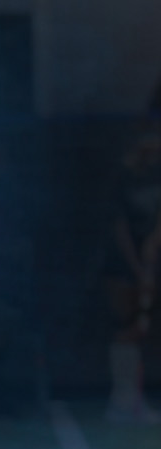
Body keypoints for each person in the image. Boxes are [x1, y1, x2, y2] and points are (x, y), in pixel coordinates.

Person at [104, 130, 160, 423]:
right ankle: (120, 401)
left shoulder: (157, 176)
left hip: (147, 263)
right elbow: (119, 227)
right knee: (127, 326)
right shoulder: (123, 179)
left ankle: (133, 401)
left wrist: (149, 261)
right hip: (122, 264)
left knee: (142, 326)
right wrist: (137, 268)